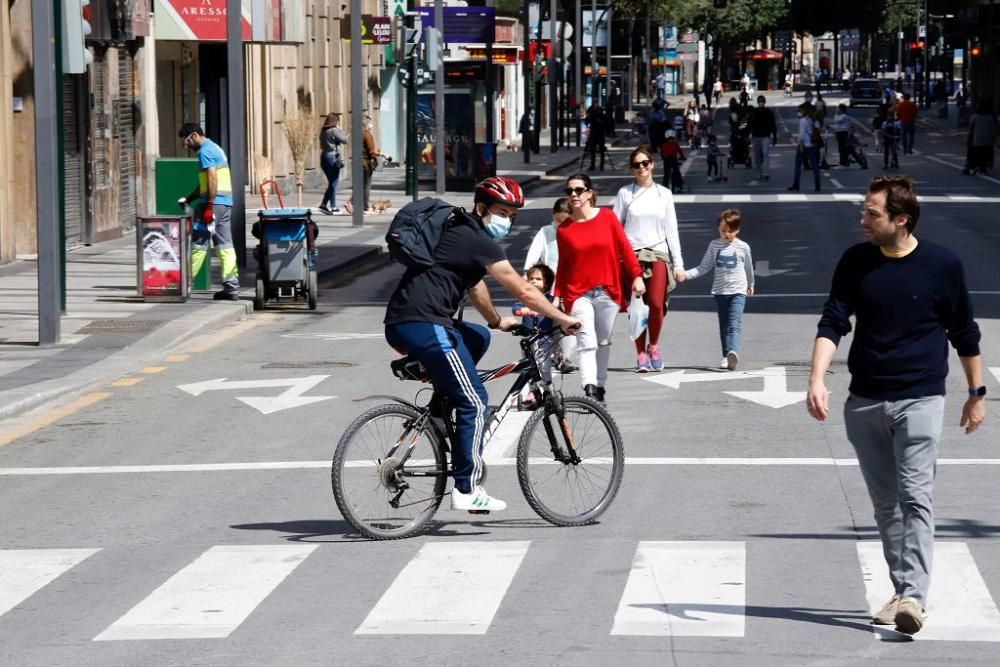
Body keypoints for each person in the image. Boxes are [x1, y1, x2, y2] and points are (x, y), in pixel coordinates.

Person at [806, 176, 985, 636]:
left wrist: (976, 393)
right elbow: (833, 320)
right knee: (886, 506)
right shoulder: (856, 261)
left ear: (901, 220)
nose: (862, 220)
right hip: (865, 400)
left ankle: (912, 598)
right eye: (864, 211)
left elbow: (964, 333)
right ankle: (903, 588)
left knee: (916, 499)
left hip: (921, 397)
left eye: (872, 213)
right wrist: (816, 379)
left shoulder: (943, 266)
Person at [384, 176, 580, 512]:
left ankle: (442, 406)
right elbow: (524, 290)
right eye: (503, 212)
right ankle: (465, 488)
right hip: (426, 324)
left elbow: (476, 289)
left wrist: (497, 321)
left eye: (513, 215)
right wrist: (561, 317)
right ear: (481, 208)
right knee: (475, 401)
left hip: (408, 323)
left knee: (479, 337)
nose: (508, 220)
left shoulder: (458, 232)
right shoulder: (477, 239)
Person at [555, 173, 645, 402]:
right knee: (587, 341)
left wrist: (637, 276)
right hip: (577, 294)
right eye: (569, 191)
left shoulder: (607, 217)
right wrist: (557, 296)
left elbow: (625, 248)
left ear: (589, 193)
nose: (573, 195)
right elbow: (563, 265)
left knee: (603, 341)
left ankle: (601, 385)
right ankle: (589, 389)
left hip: (607, 291)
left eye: (578, 190)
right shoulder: (564, 229)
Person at [613, 147, 686, 373]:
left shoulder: (664, 193)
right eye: (636, 165)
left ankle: (653, 346)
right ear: (632, 168)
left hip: (658, 254)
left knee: (655, 304)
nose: (641, 168)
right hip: (632, 255)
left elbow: (671, 230)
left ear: (652, 164)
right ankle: (640, 354)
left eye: (645, 163)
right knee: (637, 307)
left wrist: (679, 264)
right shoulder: (625, 193)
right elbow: (614, 228)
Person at [677, 209, 754, 371]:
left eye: (730, 231)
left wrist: (751, 284)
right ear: (718, 228)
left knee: (734, 323)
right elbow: (704, 267)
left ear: (737, 230)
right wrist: (686, 275)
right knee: (724, 325)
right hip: (720, 292)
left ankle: (733, 351)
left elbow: (749, 268)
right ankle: (726, 356)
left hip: (738, 291)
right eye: (723, 230)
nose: (726, 234)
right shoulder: (714, 246)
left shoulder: (743, 247)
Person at [178, 123, 240, 301]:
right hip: (225, 203)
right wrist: (190, 198)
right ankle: (231, 288)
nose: (186, 145)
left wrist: (208, 206)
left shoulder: (205, 151)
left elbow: (212, 178)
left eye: (187, 141)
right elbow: (207, 182)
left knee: (198, 244)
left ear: (195, 135)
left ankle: (185, 285)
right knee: (225, 245)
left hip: (213, 204)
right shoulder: (215, 148)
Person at [317, 113, 348, 214]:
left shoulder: (322, 131)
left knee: (331, 183)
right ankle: (329, 205)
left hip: (324, 157)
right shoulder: (333, 130)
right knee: (333, 183)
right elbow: (344, 140)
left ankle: (327, 205)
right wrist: (341, 130)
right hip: (332, 158)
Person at [788, 103, 821, 192]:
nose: (799, 112)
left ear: (804, 111)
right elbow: (818, 130)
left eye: (800, 111)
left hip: (804, 145)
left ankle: (796, 184)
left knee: (798, 166)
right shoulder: (814, 120)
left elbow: (802, 135)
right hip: (813, 145)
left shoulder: (803, 120)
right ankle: (817, 185)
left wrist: (801, 145)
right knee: (815, 166)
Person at [749, 95, 777, 182]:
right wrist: (747, 134)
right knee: (757, 156)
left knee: (765, 153)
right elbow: (749, 124)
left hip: (766, 136)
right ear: (757, 102)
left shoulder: (769, 112)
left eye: (762, 101)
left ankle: (766, 173)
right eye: (760, 101)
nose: (761, 102)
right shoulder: (754, 112)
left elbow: (773, 125)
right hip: (756, 136)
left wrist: (775, 136)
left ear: (764, 102)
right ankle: (758, 172)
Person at [966, 103, 997, 175]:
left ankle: (971, 165)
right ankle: (985, 164)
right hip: (987, 141)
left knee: (973, 149)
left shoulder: (975, 117)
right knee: (986, 150)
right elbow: (993, 131)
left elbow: (970, 128)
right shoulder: (990, 118)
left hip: (976, 140)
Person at [361, 115, 381, 213]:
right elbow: (372, 151)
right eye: (369, 123)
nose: (371, 125)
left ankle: (357, 203)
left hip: (358, 162)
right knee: (366, 185)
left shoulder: (357, 133)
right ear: (366, 124)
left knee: (360, 184)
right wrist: (381, 154)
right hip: (365, 163)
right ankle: (364, 205)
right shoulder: (366, 134)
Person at [585, 104, 608, 171]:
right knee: (593, 150)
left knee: (601, 150)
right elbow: (586, 122)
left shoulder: (602, 116)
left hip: (599, 134)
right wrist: (589, 117)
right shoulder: (592, 115)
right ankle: (593, 165)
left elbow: (606, 123)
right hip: (594, 134)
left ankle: (601, 165)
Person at [831, 103, 851, 167]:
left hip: (843, 132)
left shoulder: (844, 116)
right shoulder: (838, 115)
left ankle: (843, 162)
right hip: (838, 132)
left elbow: (837, 121)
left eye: (837, 108)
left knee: (842, 148)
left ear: (841, 109)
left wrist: (836, 114)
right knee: (840, 148)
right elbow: (836, 124)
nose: (836, 109)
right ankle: (842, 161)